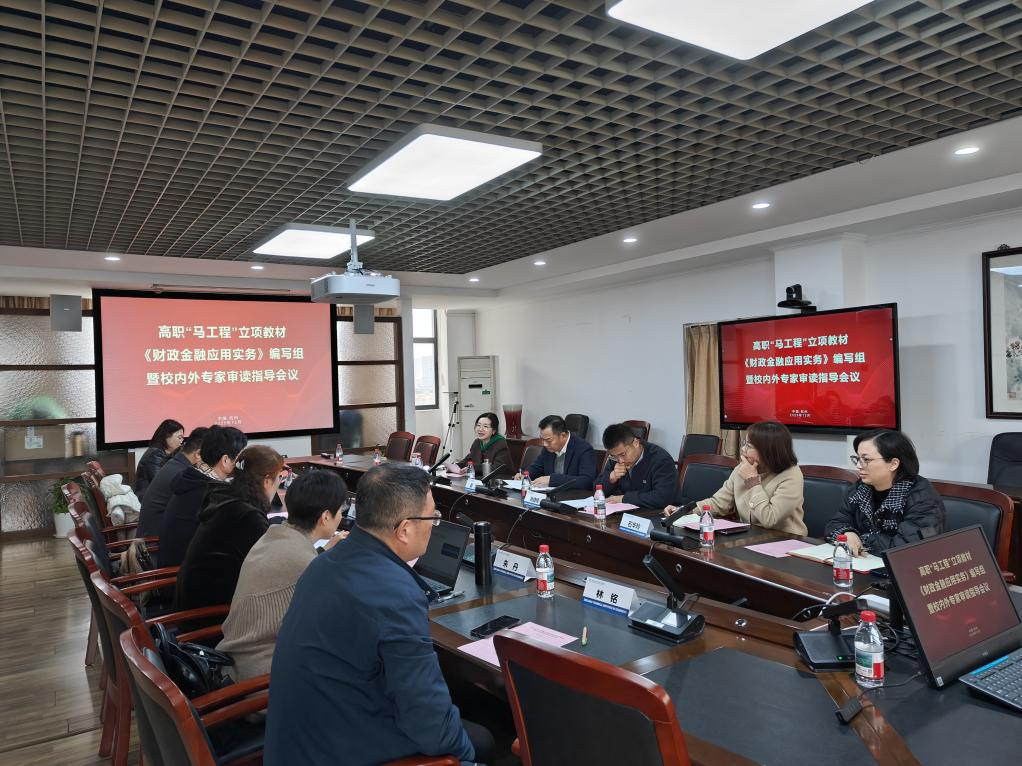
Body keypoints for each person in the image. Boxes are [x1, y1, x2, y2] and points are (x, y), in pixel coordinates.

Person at [266, 463, 494, 766]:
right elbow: (428, 720)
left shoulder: (323, 563)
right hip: (340, 747)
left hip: (298, 738)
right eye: (433, 517)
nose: (434, 525)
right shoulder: (394, 594)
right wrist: (466, 759)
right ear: (404, 529)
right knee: (477, 744)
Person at [217, 470, 349, 681]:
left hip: (236, 660)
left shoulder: (272, 536)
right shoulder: (305, 564)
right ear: (325, 517)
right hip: (260, 679)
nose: (342, 516)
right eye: (340, 510)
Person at [174, 445, 283, 614]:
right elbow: (273, 570)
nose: (279, 483)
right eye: (279, 478)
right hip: (211, 616)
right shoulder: (248, 516)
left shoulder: (224, 499)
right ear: (267, 481)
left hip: (192, 604)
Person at [663, 421, 806, 535]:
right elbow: (719, 503)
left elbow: (770, 519)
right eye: (744, 444)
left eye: (749, 446)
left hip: (786, 543)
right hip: (751, 538)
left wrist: (753, 481)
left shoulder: (791, 475)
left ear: (768, 451)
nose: (743, 449)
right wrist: (684, 511)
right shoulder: (742, 469)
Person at [825, 429, 945, 555]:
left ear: (893, 464)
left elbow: (907, 547)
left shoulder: (922, 497)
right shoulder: (860, 488)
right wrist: (847, 533)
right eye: (858, 459)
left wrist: (861, 540)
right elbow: (835, 523)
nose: (859, 466)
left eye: (866, 460)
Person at [158, 425, 247, 568]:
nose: (241, 465)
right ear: (225, 460)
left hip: (178, 567)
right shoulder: (213, 494)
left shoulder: (191, 478)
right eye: (239, 459)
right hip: (182, 575)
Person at [136, 427, 207, 538]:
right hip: (155, 542)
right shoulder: (183, 474)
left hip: (152, 536)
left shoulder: (176, 463)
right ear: (198, 453)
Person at [595, 423, 677, 508]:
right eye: (614, 456)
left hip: (654, 512)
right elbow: (596, 490)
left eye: (623, 454)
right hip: (623, 511)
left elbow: (662, 497)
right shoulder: (615, 458)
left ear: (636, 443)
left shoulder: (661, 459)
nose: (620, 461)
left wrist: (624, 499)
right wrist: (611, 478)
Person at [516, 414, 596, 490]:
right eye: (543, 440)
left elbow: (587, 481)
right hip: (549, 495)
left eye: (548, 440)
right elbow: (537, 467)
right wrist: (524, 475)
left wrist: (552, 479)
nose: (545, 444)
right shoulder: (548, 448)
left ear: (563, 436)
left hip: (573, 496)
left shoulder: (584, 449)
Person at [447, 412, 513, 478]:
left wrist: (472, 468)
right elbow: (468, 460)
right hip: (481, 479)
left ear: (494, 430)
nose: (480, 429)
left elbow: (497, 468)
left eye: (485, 426)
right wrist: (454, 466)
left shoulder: (500, 443)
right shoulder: (477, 442)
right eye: (478, 425)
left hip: (502, 480)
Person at [134, 419, 184, 498]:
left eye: (182, 438)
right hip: (148, 499)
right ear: (167, 436)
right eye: (179, 437)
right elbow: (160, 482)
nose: (181, 441)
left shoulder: (170, 453)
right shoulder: (154, 454)